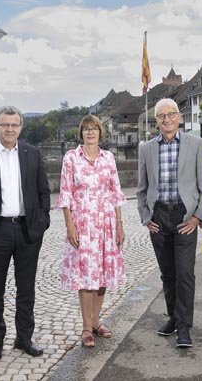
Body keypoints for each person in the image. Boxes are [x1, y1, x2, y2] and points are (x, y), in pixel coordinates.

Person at [0, 106, 51, 362]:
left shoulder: (33, 154)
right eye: (5, 124)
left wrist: (41, 223)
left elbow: (44, 193)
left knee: (26, 288)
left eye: (14, 125)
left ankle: (24, 338)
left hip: (27, 231)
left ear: (20, 127)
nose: (9, 129)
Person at [136, 98, 202, 348]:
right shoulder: (146, 149)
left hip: (184, 216)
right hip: (159, 216)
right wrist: (146, 217)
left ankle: (184, 327)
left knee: (185, 274)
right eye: (161, 116)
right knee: (167, 273)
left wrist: (198, 216)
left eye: (171, 115)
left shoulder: (196, 144)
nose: (166, 119)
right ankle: (173, 317)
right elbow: (141, 189)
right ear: (156, 120)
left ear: (179, 117)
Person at [55, 115, 127, 348]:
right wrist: (70, 226)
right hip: (83, 224)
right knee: (86, 277)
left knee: (103, 275)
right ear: (81, 133)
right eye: (86, 129)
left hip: (106, 224)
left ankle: (97, 321)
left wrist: (119, 224)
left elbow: (115, 192)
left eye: (94, 128)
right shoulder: (71, 158)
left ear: (100, 132)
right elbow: (65, 194)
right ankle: (86, 327)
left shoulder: (109, 158)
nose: (90, 133)